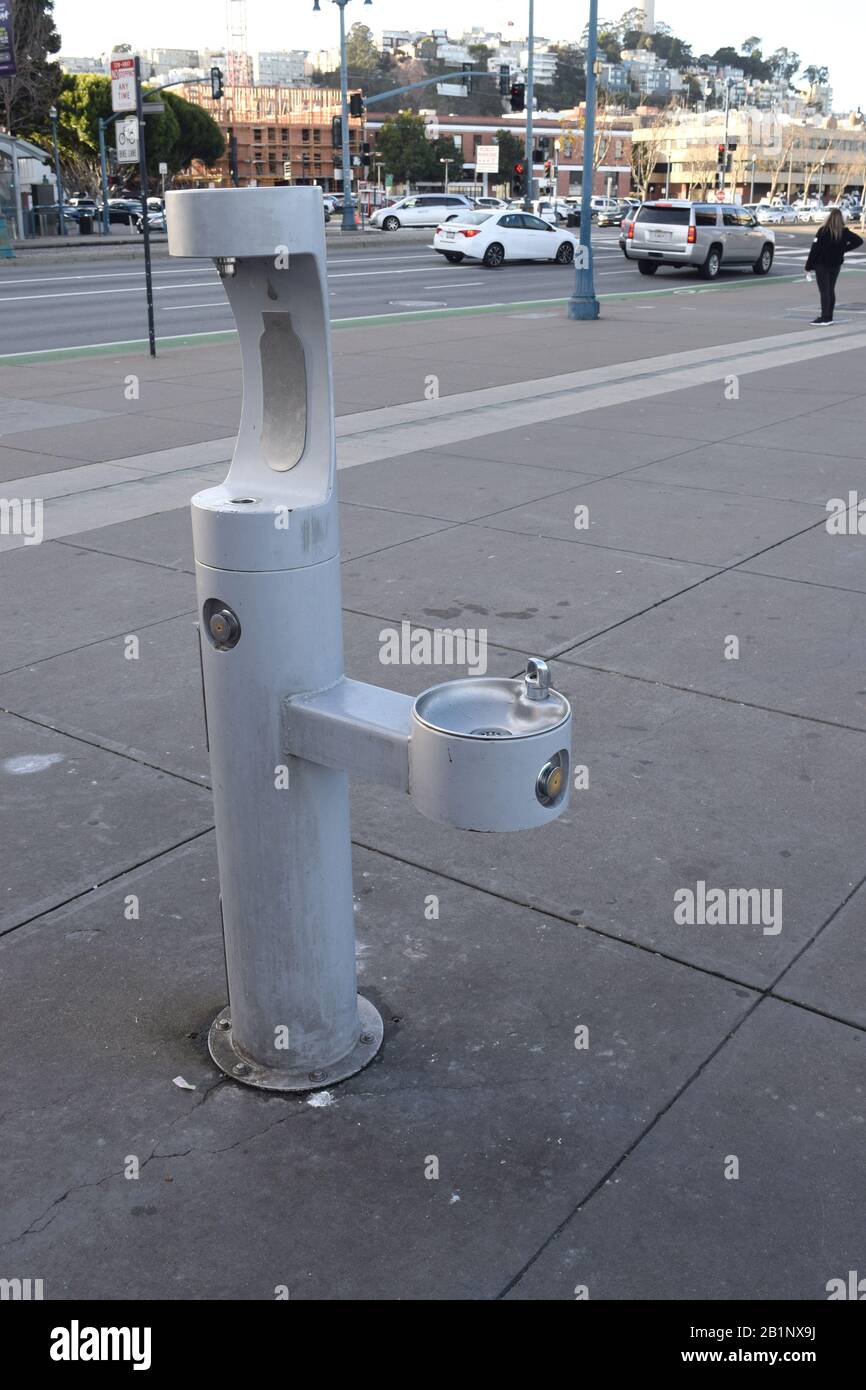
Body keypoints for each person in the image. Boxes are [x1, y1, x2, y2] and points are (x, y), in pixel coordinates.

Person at [804, 207, 863, 324]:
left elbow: (814, 250)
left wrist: (808, 266)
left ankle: (824, 317)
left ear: (829, 218)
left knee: (824, 291)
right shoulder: (844, 232)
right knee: (830, 290)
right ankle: (829, 316)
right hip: (836, 264)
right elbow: (859, 241)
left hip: (821, 264)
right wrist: (843, 249)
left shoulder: (823, 231)